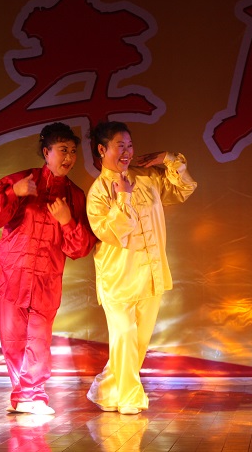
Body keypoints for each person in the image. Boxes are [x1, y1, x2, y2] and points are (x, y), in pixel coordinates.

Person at [0, 122, 97, 415]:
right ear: (46, 152)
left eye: (73, 151)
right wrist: (14, 192)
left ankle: (34, 394)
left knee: (39, 340)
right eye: (62, 150)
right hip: (12, 273)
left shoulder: (75, 196)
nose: (69, 157)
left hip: (46, 278)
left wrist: (67, 220)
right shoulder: (23, 180)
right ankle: (24, 396)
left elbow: (80, 247)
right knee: (13, 339)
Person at [85, 121, 197, 415]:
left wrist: (168, 159)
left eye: (130, 145)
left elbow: (183, 188)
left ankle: (107, 391)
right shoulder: (98, 192)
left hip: (150, 274)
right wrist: (123, 196)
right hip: (118, 279)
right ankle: (131, 398)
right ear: (102, 150)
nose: (127, 152)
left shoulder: (147, 177)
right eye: (120, 146)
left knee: (137, 344)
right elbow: (114, 233)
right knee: (124, 336)